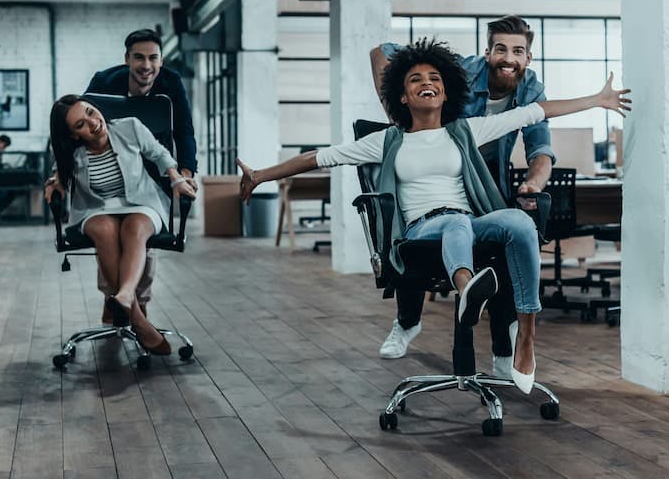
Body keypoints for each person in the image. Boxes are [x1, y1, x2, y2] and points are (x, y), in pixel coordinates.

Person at [237, 39, 630, 394]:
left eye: (435, 78)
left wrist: (596, 100)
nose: (427, 83)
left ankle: (525, 335)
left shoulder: (465, 130)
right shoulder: (387, 140)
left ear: (446, 91)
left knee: (518, 221)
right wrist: (259, 176)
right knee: (455, 222)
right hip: (422, 229)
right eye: (415, 80)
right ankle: (467, 290)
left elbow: (534, 112)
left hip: (469, 222)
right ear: (403, 96)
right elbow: (317, 158)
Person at [370, 16, 551, 377]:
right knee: (423, 235)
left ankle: (505, 348)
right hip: (435, 180)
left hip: (484, 184)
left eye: (518, 51)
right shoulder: (462, 72)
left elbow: (541, 150)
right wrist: (401, 115)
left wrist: (534, 183)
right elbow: (381, 53)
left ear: (528, 57)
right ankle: (407, 323)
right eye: (501, 49)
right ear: (488, 53)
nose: (508, 58)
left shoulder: (530, 89)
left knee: (503, 245)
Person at [47, 28, 200, 323]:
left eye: (154, 58)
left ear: (161, 59)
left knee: (140, 232)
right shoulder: (104, 81)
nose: (146, 65)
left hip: (153, 166)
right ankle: (119, 300)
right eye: (139, 58)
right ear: (127, 59)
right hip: (107, 166)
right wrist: (58, 176)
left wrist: (184, 173)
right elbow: (75, 128)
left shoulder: (172, 83)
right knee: (107, 231)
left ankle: (135, 302)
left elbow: (183, 130)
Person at [44, 95, 196, 355]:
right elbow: (61, 166)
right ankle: (138, 319)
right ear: (73, 135)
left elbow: (160, 155)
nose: (92, 123)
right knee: (104, 229)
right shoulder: (73, 151)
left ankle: (125, 297)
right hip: (95, 208)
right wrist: (55, 180)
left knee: (135, 227)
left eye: (91, 112)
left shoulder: (130, 127)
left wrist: (176, 180)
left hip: (140, 202)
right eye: (80, 124)